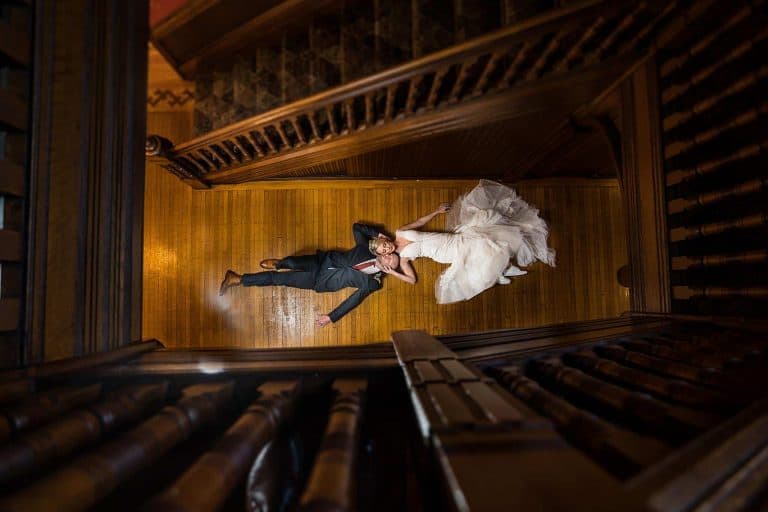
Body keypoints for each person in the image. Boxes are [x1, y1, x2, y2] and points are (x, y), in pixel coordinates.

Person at [393, 180, 556, 304]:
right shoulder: (402, 259)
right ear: (384, 254)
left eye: (383, 244)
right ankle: (501, 271)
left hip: (449, 239)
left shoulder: (400, 232)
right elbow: (412, 280)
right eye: (384, 250)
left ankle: (502, 268)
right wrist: (393, 272)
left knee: (484, 232)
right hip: (443, 253)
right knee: (473, 256)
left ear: (382, 239)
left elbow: (419, 222)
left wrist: (436, 211)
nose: (386, 247)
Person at [218, 223, 398, 326]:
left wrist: (331, 316)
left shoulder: (373, 283)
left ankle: (238, 279)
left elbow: (354, 300)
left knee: (279, 280)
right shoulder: (365, 248)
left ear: (389, 270)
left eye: (391, 263)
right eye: (389, 256)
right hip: (323, 261)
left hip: (319, 281)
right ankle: (281, 263)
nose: (388, 259)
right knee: (292, 262)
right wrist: (379, 234)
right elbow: (357, 227)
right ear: (383, 253)